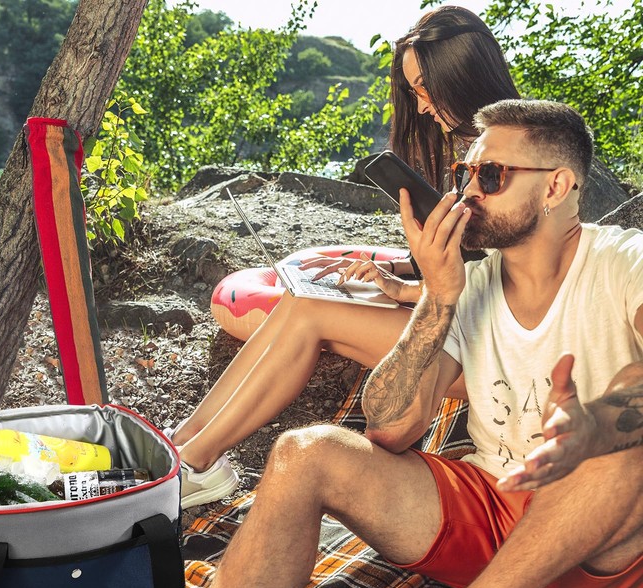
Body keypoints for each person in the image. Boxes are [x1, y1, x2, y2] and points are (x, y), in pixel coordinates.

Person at [0, 99, 643, 588]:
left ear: (556, 186)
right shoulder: (473, 284)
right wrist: (436, 299)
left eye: (490, 175)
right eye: (464, 174)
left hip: (599, 545)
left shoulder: (624, 262)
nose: (465, 192)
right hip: (494, 507)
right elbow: (390, 428)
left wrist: (595, 426)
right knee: (305, 452)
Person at [173, 6, 521, 508]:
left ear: (461, 74)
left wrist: (414, 291)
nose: (421, 106)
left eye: (425, 88)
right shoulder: (471, 151)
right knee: (301, 300)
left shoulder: (514, 160)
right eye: (413, 91)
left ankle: (198, 464)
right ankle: (185, 442)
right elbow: (477, 262)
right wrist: (399, 273)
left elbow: (515, 290)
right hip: (465, 324)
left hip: (496, 351)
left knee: (312, 314)